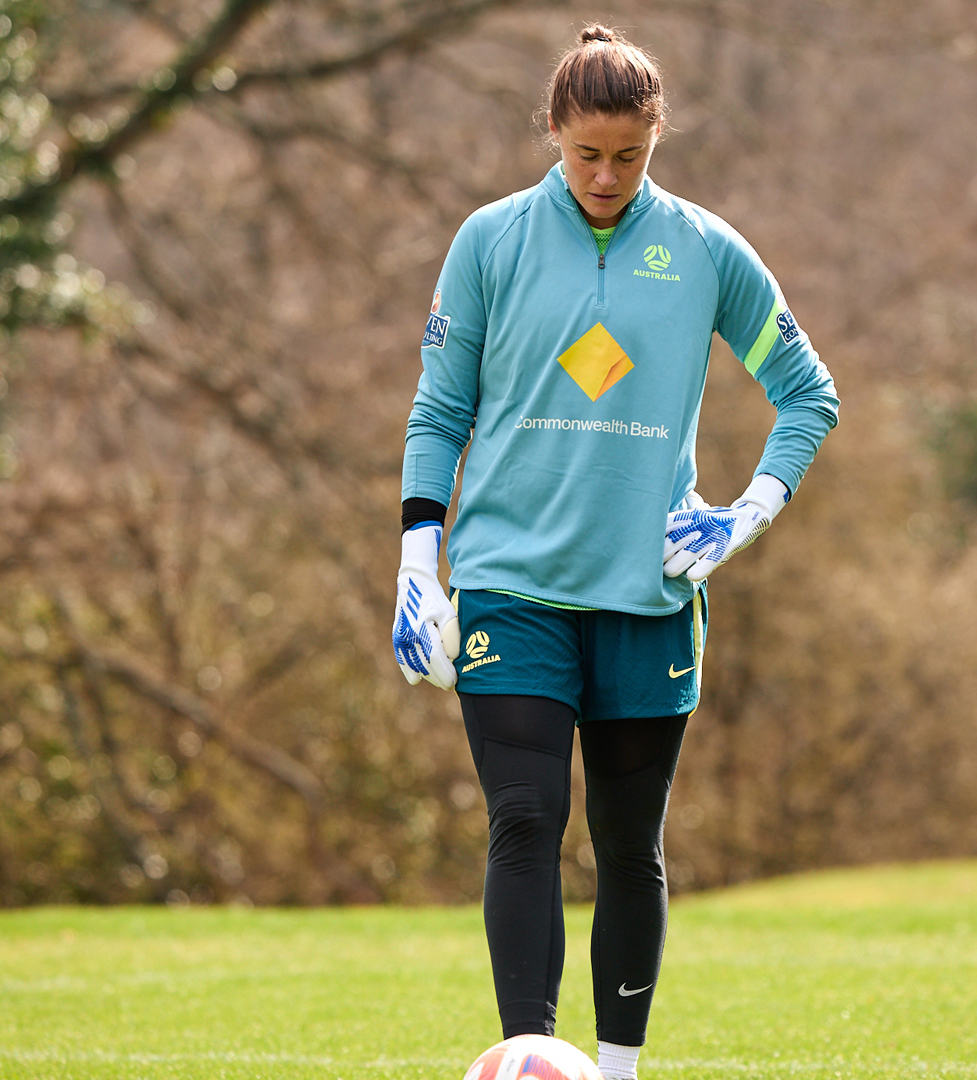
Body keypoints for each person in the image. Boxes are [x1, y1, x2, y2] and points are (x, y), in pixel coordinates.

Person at [392, 23, 837, 1080]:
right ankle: (531, 1061)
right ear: (552, 130)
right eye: (586, 152)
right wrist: (417, 559)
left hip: (648, 596)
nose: (605, 175)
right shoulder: (490, 242)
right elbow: (440, 410)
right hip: (511, 587)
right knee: (524, 820)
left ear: (656, 139)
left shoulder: (707, 251)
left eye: (628, 155)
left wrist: (745, 513)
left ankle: (619, 1073)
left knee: (630, 847)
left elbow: (808, 394)